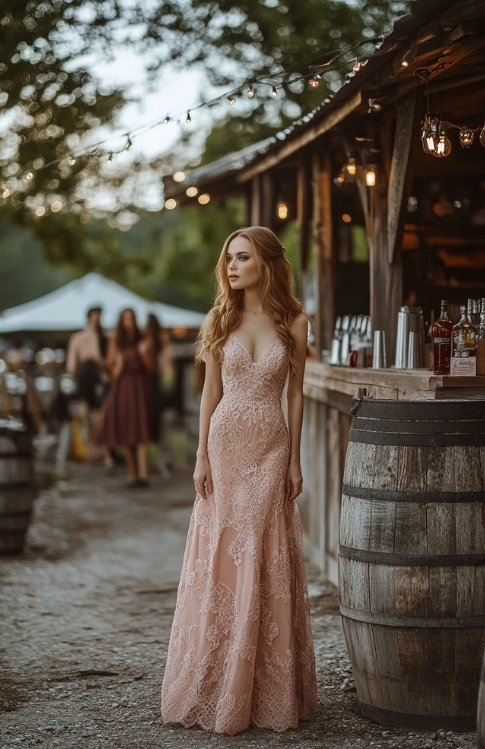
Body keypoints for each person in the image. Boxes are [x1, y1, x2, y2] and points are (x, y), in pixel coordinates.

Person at [161, 226, 317, 734]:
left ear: (266, 263)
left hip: (271, 448)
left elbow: (296, 397)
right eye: (228, 258)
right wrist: (201, 455)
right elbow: (209, 394)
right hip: (226, 449)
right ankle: (218, 678)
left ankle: (265, 686)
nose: (231, 267)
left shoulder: (294, 321)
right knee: (226, 551)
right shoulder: (219, 318)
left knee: (263, 549)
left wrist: (294, 460)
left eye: (242, 257)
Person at [98, 308, 153, 488]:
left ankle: (143, 474)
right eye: (125, 318)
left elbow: (150, 367)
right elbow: (111, 373)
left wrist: (143, 353)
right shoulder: (116, 342)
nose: (129, 321)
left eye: (131, 317)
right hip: (122, 388)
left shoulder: (143, 339)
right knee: (127, 429)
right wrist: (118, 366)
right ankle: (132, 475)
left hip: (140, 387)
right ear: (121, 321)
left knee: (141, 429)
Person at [66, 305, 113, 467]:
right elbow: (72, 365)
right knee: (87, 416)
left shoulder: (106, 337)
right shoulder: (79, 338)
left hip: (100, 379)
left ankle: (102, 449)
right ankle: (92, 449)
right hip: (86, 379)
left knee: (100, 416)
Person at [141, 313, 175, 476]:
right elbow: (168, 368)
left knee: (150, 428)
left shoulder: (148, 343)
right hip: (156, 389)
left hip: (150, 389)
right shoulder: (161, 344)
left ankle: (149, 465)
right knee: (161, 430)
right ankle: (160, 463)